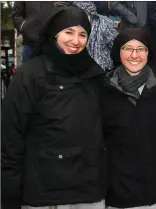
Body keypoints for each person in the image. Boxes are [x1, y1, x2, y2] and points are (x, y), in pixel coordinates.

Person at [2, 7, 106, 209]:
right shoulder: (30, 75)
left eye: (82, 34)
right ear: (54, 34)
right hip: (46, 194)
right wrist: (9, 194)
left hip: (89, 192)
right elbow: (10, 139)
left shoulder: (94, 74)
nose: (76, 41)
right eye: (69, 32)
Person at [103, 28, 156, 209]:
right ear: (118, 51)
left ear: (149, 53)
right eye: (128, 48)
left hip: (154, 192)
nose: (134, 55)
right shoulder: (105, 90)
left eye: (141, 49)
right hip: (116, 193)